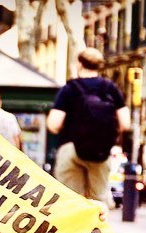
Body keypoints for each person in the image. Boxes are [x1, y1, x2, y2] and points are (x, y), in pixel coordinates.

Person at [46, 48, 130, 204]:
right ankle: (96, 227)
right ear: (99, 66)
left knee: (69, 200)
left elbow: (53, 124)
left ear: (79, 63)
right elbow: (125, 124)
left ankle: (72, 227)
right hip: (101, 151)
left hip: (71, 148)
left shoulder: (69, 89)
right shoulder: (111, 89)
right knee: (98, 201)